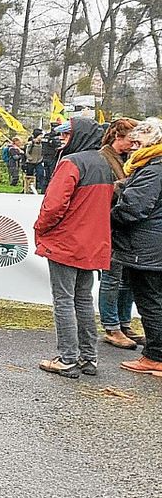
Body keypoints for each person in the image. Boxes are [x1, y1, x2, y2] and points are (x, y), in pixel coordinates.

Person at [34, 117, 115, 378]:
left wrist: (41, 228)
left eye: (68, 135)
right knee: (83, 300)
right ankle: (88, 357)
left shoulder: (71, 163)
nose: (63, 140)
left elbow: (54, 205)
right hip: (93, 243)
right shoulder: (104, 163)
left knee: (64, 301)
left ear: (78, 136)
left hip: (67, 241)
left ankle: (67, 358)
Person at [111, 117, 162, 376]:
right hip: (152, 244)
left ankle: (155, 356)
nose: (132, 146)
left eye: (138, 141)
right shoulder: (151, 165)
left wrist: (107, 215)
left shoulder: (153, 168)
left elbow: (134, 209)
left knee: (150, 301)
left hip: (146, 247)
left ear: (152, 141)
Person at [100, 117, 141, 349]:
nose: (134, 145)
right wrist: (127, 185)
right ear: (118, 137)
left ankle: (124, 323)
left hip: (127, 225)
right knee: (112, 276)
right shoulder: (104, 158)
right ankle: (111, 326)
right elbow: (106, 190)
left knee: (127, 278)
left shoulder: (128, 159)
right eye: (130, 140)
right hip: (112, 223)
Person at [42, 122, 64, 189]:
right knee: (52, 174)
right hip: (53, 157)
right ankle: (51, 188)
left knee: (46, 174)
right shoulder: (55, 138)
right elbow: (59, 146)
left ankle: (44, 189)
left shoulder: (45, 136)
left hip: (45, 157)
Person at [24, 128, 46, 194]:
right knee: (29, 175)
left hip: (39, 161)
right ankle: (28, 188)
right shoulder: (31, 143)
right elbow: (27, 152)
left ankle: (42, 188)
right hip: (30, 162)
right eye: (40, 135)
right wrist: (29, 158)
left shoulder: (42, 144)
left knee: (40, 174)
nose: (41, 137)